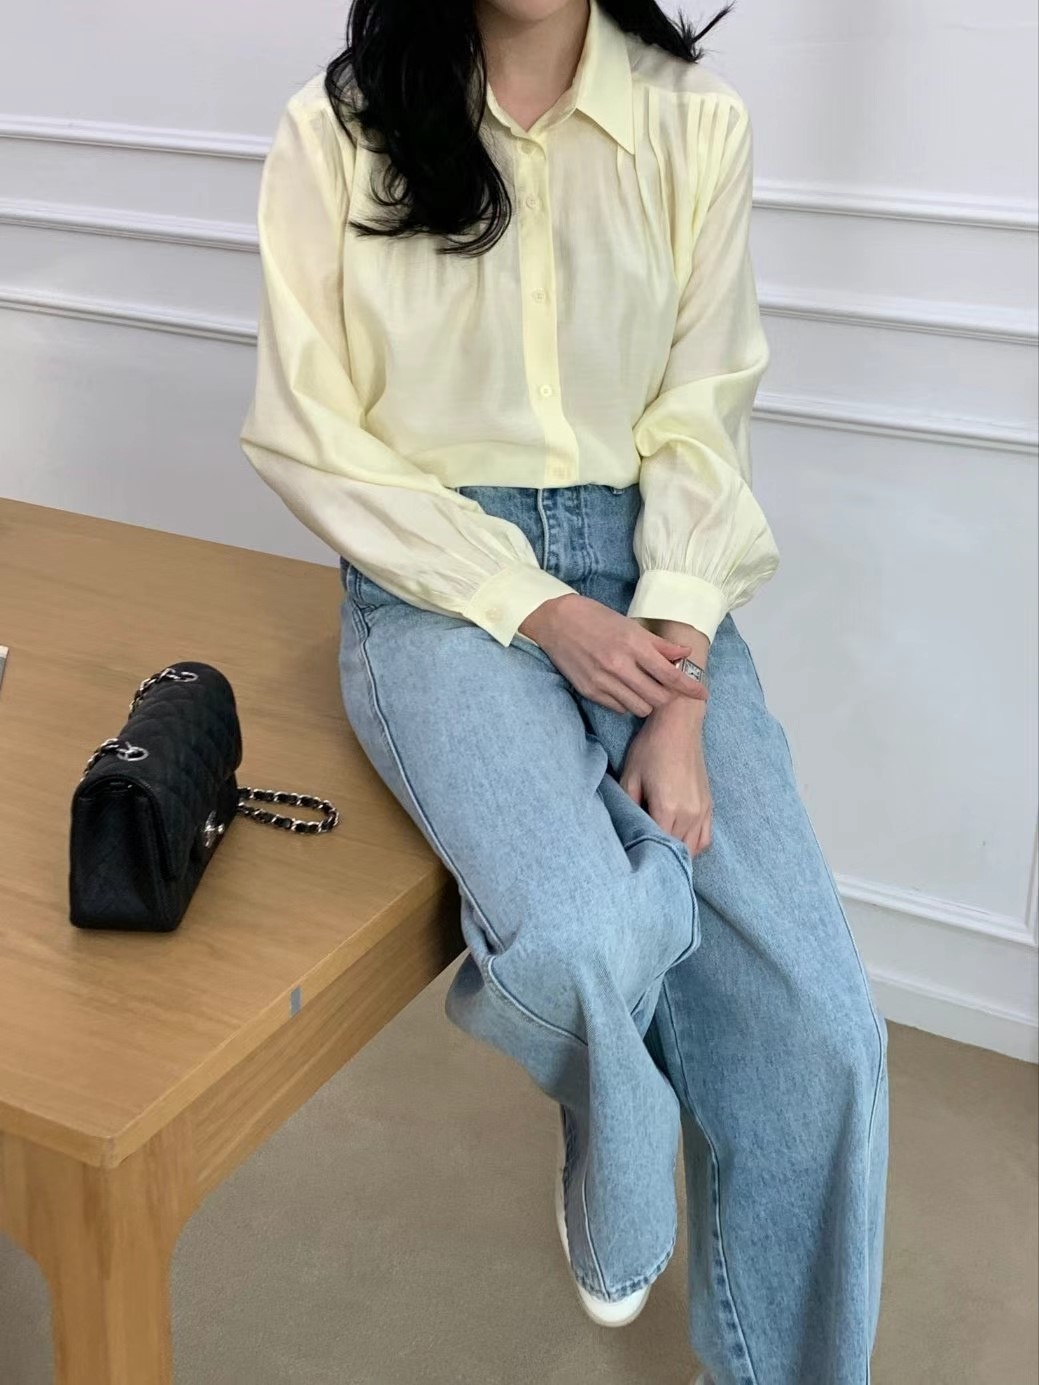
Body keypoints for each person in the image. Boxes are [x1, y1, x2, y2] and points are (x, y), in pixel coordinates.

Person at [239, 1, 889, 1380]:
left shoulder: (692, 124)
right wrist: (532, 603)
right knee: (584, 939)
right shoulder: (337, 134)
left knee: (826, 1034)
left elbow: (702, 420)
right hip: (433, 588)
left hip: (659, 577)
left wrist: (680, 690)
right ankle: (620, 1126)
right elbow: (311, 437)